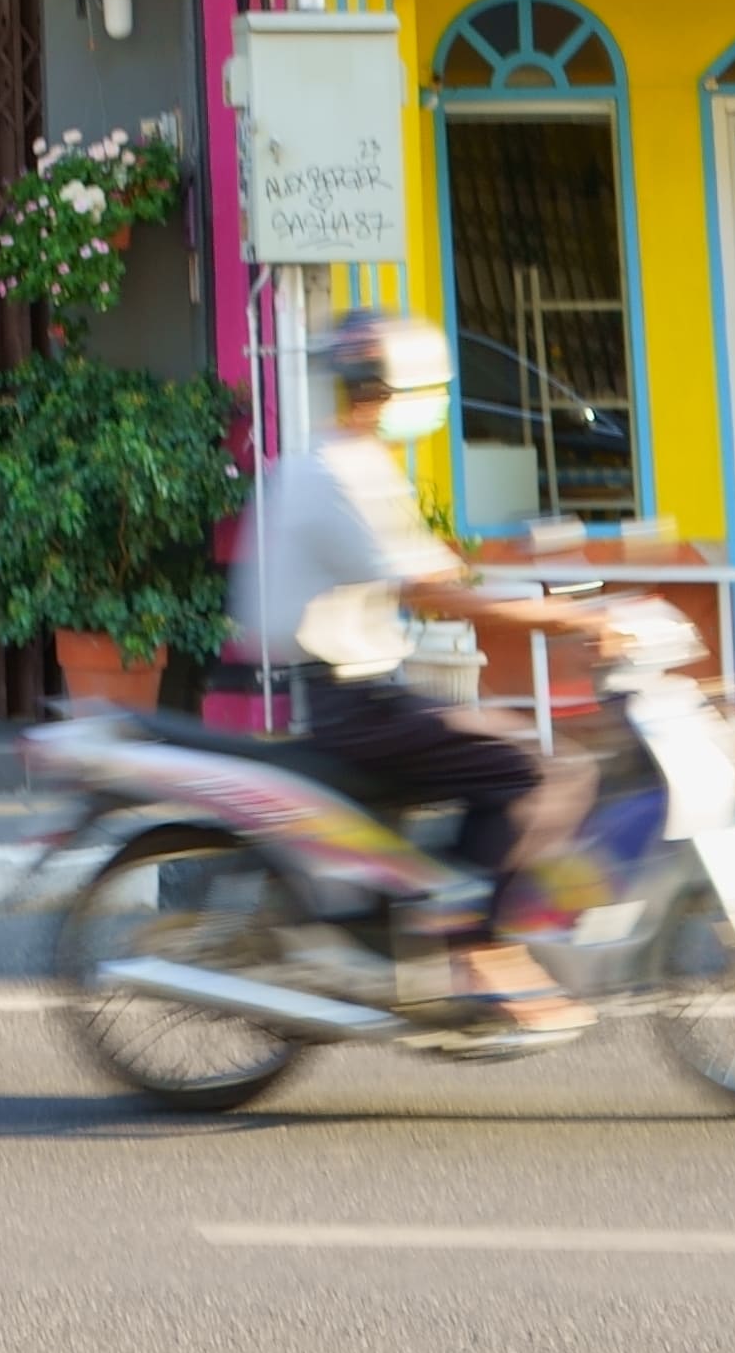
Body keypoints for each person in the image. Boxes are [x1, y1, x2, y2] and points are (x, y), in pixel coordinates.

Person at [234, 312, 589, 1028]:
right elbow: (425, 590)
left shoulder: (354, 463)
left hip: (364, 691)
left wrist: (534, 573)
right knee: (531, 771)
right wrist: (553, 619)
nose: (440, 404)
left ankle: (440, 925)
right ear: (388, 391)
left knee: (499, 749)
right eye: (432, 391)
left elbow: (432, 568)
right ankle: (476, 948)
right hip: (355, 702)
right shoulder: (336, 474)